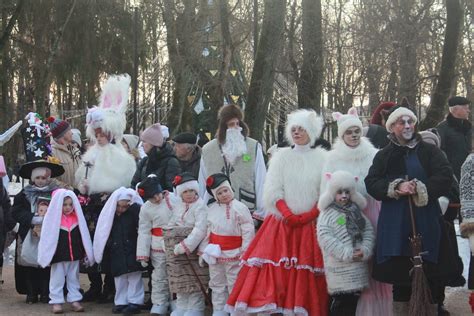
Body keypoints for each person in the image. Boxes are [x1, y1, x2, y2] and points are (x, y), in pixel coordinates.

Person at [226, 109, 329, 315]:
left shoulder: (323, 159)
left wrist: (311, 214)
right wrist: (286, 212)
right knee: (275, 269)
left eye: (301, 128)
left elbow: (326, 190)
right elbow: (273, 188)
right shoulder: (282, 157)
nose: (297, 132)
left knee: (304, 269)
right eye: (294, 129)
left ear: (310, 131)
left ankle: (300, 306)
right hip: (283, 223)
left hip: (310, 224)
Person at [365, 106, 456, 315]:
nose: (407, 126)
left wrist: (422, 188)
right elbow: (372, 182)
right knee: (401, 280)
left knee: (431, 275)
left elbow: (445, 176)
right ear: (392, 127)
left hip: (427, 220)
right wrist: (396, 187)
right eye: (401, 122)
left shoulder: (430, 151)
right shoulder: (384, 155)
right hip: (396, 226)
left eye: (410, 122)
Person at [321, 107, 392, 315]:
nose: (353, 135)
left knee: (375, 258)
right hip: (345, 215)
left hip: (373, 210)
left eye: (356, 131)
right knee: (353, 260)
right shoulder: (332, 158)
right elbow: (325, 189)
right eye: (349, 132)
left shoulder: (373, 154)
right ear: (341, 135)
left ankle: (381, 308)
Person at [75, 74, 137, 303]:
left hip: (112, 207)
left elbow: (127, 180)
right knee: (90, 245)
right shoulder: (90, 155)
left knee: (111, 246)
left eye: (104, 134)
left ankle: (111, 285)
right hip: (92, 207)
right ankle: (95, 285)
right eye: (97, 134)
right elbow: (81, 176)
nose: (100, 138)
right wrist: (83, 185)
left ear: (111, 134)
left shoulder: (122, 157)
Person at [318, 171, 375, 316]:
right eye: (339, 192)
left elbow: (368, 231)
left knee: (352, 305)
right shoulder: (327, 214)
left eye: (347, 192)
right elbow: (325, 237)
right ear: (332, 193)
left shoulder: (356, 212)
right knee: (339, 305)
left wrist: (365, 249)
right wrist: (346, 252)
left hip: (357, 268)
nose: (344, 196)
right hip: (339, 269)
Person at [198, 104, 266, 223]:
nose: (235, 128)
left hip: (247, 211)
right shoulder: (208, 150)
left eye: (237, 124)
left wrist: (261, 213)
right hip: (216, 212)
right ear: (223, 127)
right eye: (231, 124)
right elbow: (202, 183)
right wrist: (202, 211)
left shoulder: (253, 147)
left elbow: (261, 180)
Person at [198, 173, 255, 316]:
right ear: (214, 195)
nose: (224, 195)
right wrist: (203, 251)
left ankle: (236, 310)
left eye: (226, 190)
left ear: (231, 189)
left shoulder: (240, 208)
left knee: (234, 283)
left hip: (235, 253)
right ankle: (219, 309)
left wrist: (245, 252)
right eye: (219, 193)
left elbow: (248, 231)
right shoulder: (211, 209)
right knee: (217, 283)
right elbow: (208, 232)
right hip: (215, 254)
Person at [12, 159, 65, 304]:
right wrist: (31, 218)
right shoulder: (23, 194)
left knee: (47, 263)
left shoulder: (56, 193)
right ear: (32, 179)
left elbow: (64, 209)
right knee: (29, 263)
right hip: (29, 234)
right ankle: (31, 292)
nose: (41, 181)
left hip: (49, 234)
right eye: (38, 178)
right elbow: (16, 211)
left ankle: (46, 292)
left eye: (44, 178)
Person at [37, 189, 94, 314]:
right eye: (64, 204)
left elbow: (82, 235)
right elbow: (47, 238)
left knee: (74, 278)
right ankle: (56, 301)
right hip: (58, 256)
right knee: (57, 279)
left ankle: (75, 300)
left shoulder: (77, 218)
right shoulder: (52, 220)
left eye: (70, 204)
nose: (68, 207)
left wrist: (84, 251)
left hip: (74, 255)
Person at [93, 187, 145, 314]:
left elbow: (141, 226)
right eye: (119, 206)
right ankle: (121, 301)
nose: (121, 209)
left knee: (134, 277)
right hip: (117, 251)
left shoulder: (133, 214)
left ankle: (135, 302)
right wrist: (110, 244)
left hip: (132, 250)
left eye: (125, 207)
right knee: (120, 278)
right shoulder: (111, 216)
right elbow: (104, 231)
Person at [168, 172, 208, 316]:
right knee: (181, 278)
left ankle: (195, 308)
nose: (189, 194)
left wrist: (186, 245)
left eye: (192, 190)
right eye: (185, 191)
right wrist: (168, 239)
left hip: (193, 248)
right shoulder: (179, 206)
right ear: (180, 194)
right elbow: (172, 223)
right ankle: (182, 306)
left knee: (194, 279)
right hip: (177, 248)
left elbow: (200, 229)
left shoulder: (200, 206)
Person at [136, 175, 173, 315]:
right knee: (158, 276)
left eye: (158, 195)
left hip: (175, 244)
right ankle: (159, 303)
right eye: (152, 197)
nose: (157, 199)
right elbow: (144, 231)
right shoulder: (145, 209)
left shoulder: (173, 200)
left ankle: (177, 302)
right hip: (157, 246)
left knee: (175, 274)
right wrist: (143, 254)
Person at [132, 123, 181, 191]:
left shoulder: (171, 162)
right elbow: (134, 184)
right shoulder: (145, 161)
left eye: (144, 141)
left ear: (154, 144)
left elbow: (172, 189)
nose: (142, 145)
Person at [437, 96, 471, 180]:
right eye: (465, 108)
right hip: (452, 176)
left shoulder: (469, 127)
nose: (468, 110)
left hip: (470, 174)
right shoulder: (442, 129)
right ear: (455, 110)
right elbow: (439, 154)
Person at [48, 116, 81, 188]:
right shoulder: (51, 153)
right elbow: (49, 179)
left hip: (79, 196)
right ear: (63, 134)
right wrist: (68, 189)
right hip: (62, 196)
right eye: (69, 130)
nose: (72, 133)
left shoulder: (76, 150)